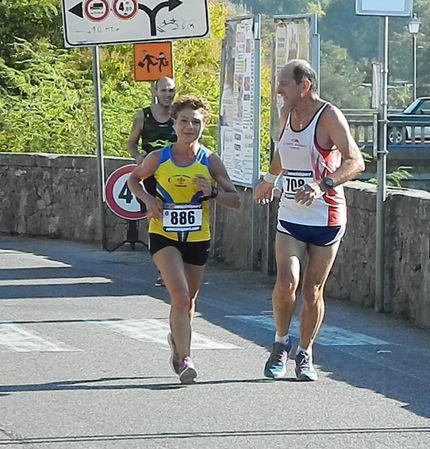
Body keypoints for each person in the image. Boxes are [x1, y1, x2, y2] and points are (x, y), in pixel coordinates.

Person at [254, 59, 365, 381]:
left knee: (312, 290)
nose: (278, 90)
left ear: (306, 86)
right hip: (290, 212)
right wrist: (269, 179)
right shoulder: (286, 113)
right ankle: (279, 343)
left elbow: (355, 162)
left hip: (326, 215)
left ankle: (305, 352)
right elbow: (283, 152)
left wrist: (322, 184)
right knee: (287, 280)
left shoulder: (329, 116)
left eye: (284, 84)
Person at [127, 96, 240, 384]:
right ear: (174, 124)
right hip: (163, 234)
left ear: (205, 125)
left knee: (189, 299)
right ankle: (186, 360)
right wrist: (148, 200)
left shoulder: (210, 160)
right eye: (184, 121)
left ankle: (177, 344)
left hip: (197, 236)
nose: (190, 127)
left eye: (196, 122)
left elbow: (235, 200)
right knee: (178, 295)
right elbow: (133, 179)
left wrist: (212, 192)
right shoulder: (160, 157)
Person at [127, 76, 178, 288]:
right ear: (156, 92)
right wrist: (138, 157)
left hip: (176, 174)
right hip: (151, 175)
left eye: (171, 90)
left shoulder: (180, 116)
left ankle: (177, 265)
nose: (168, 95)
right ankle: (162, 270)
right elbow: (131, 143)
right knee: (157, 219)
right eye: (164, 90)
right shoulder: (143, 116)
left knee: (177, 217)